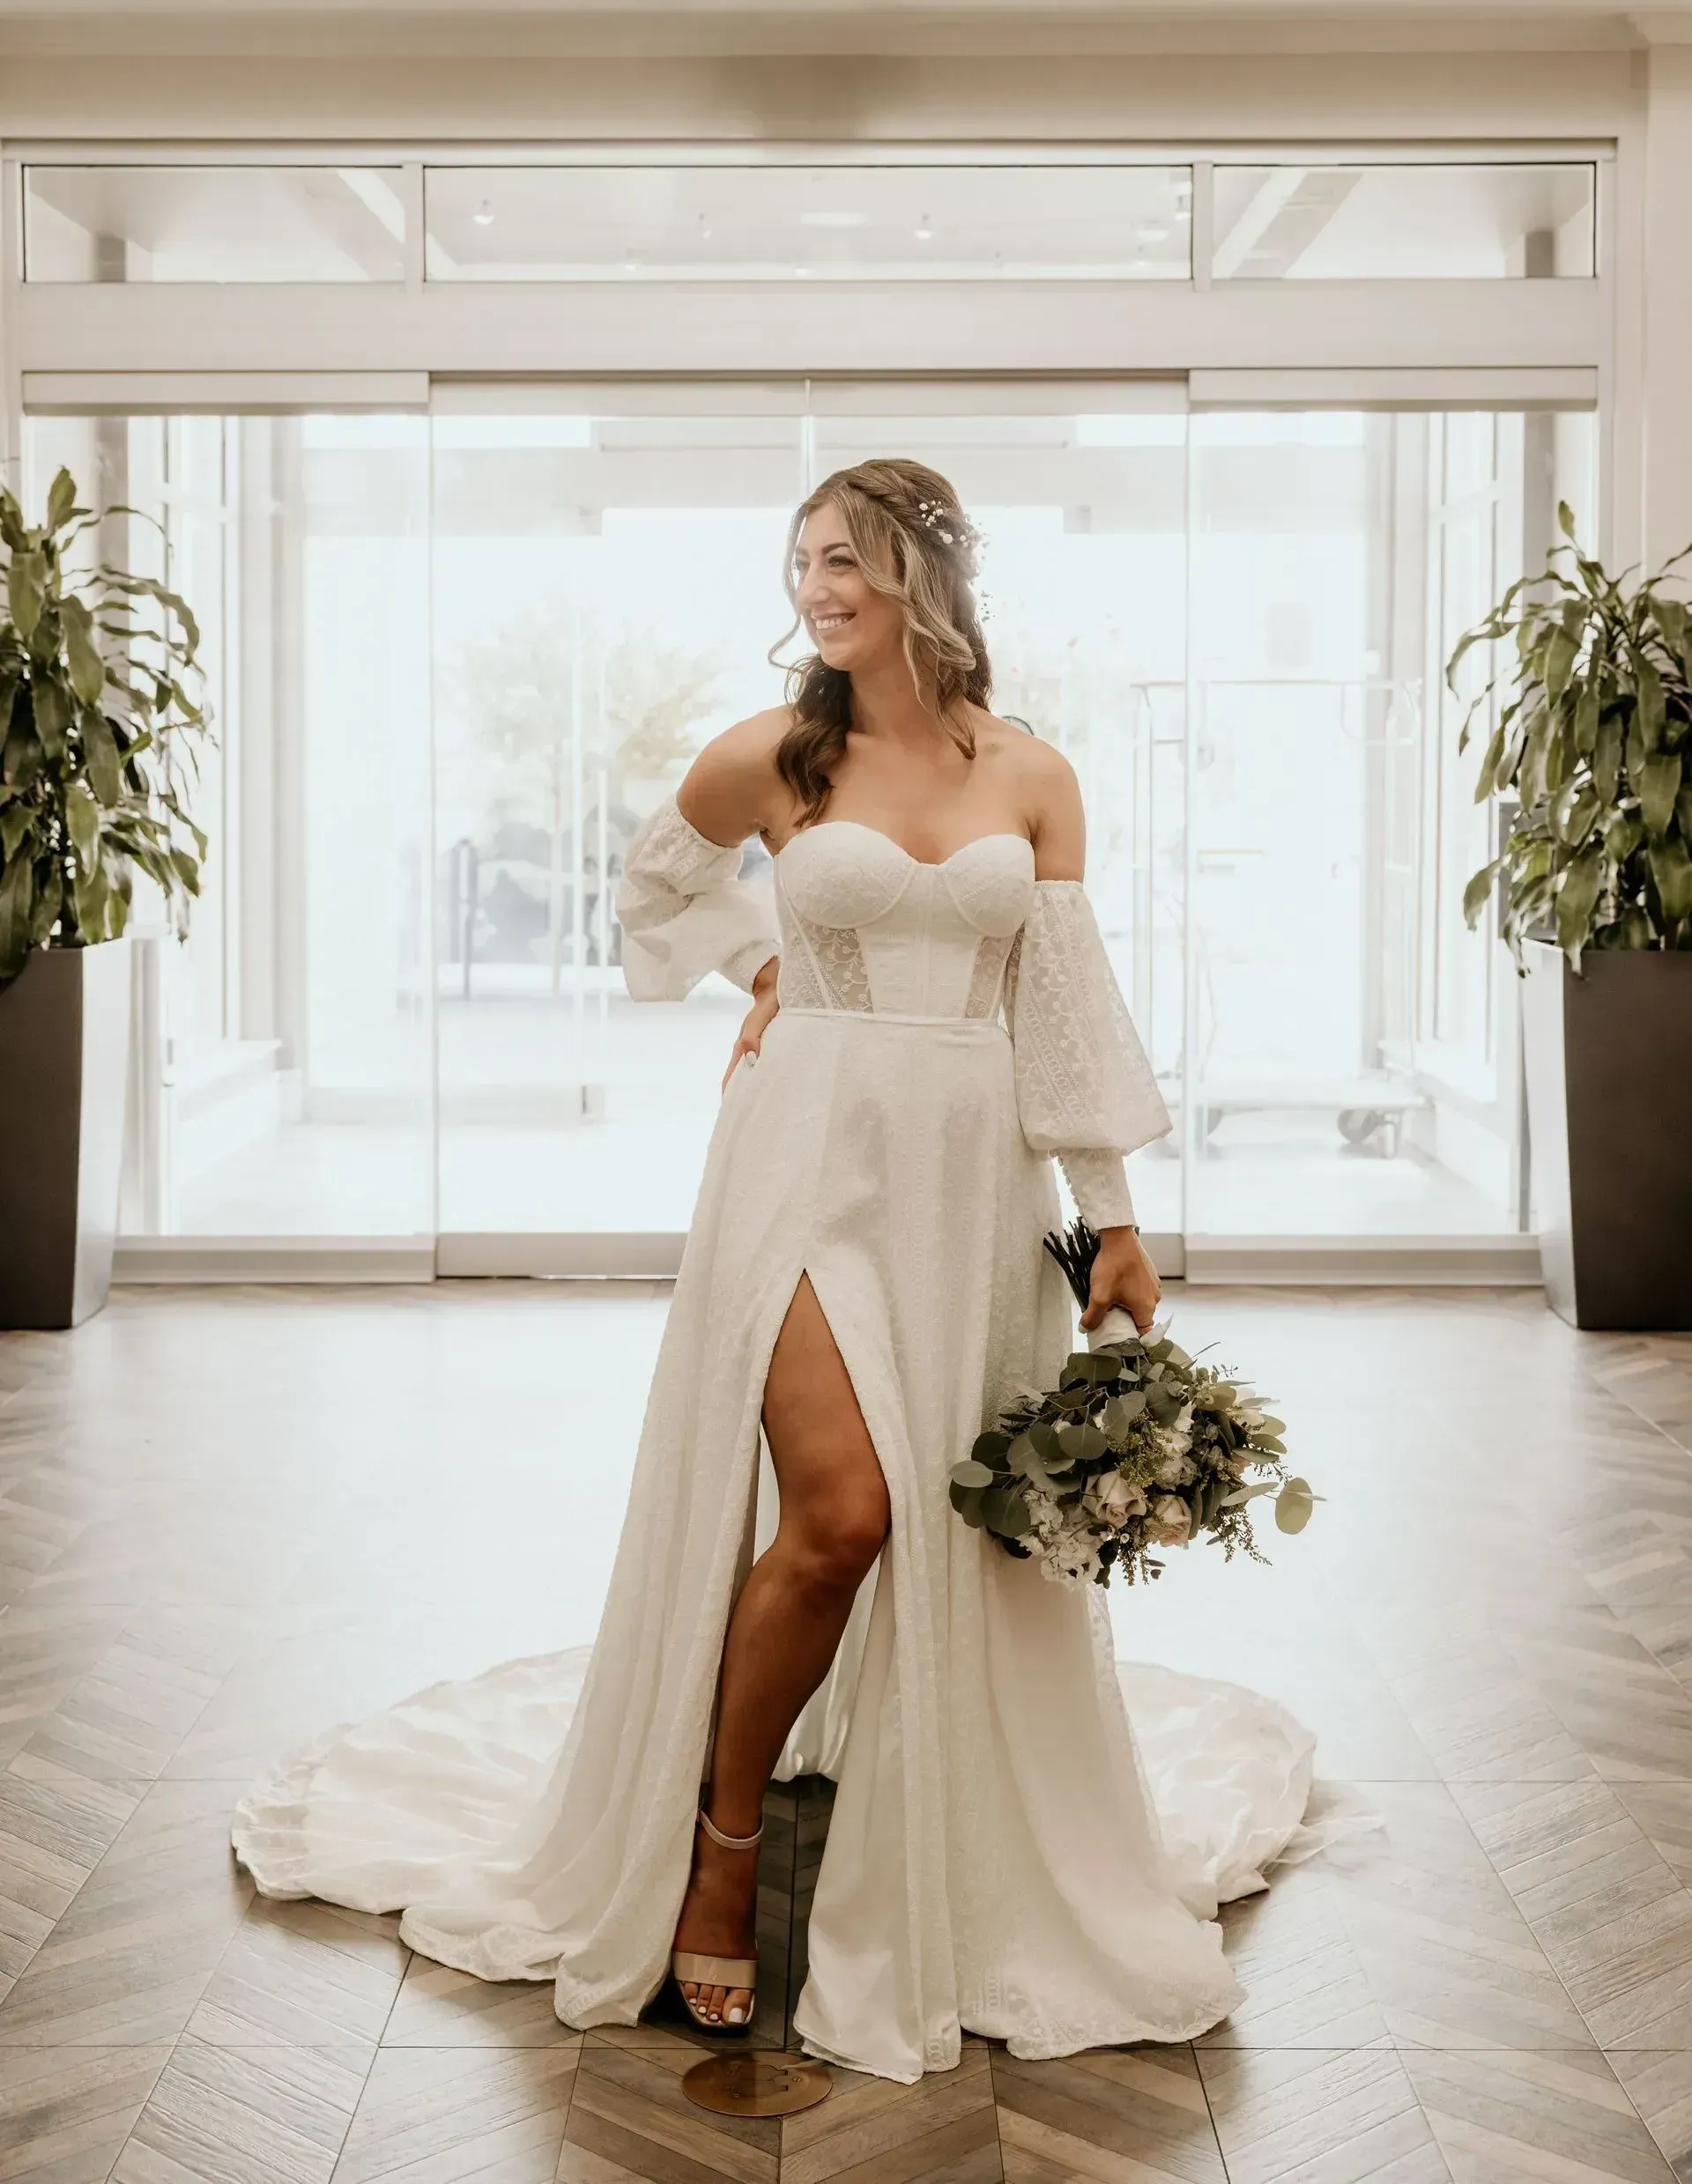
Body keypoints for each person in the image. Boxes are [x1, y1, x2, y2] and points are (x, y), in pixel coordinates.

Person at [233, 458, 1317, 2086]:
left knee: (937, 1518)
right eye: (807, 561)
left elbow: (1063, 1014)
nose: (824, 589)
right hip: (806, 1155)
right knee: (843, 1512)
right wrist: (762, 964)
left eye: (855, 562)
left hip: (971, 1182)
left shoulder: (1035, 775)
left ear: (930, 579)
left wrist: (1110, 1215)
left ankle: (900, 1833)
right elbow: (650, 900)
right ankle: (716, 1845)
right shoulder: (772, 759)